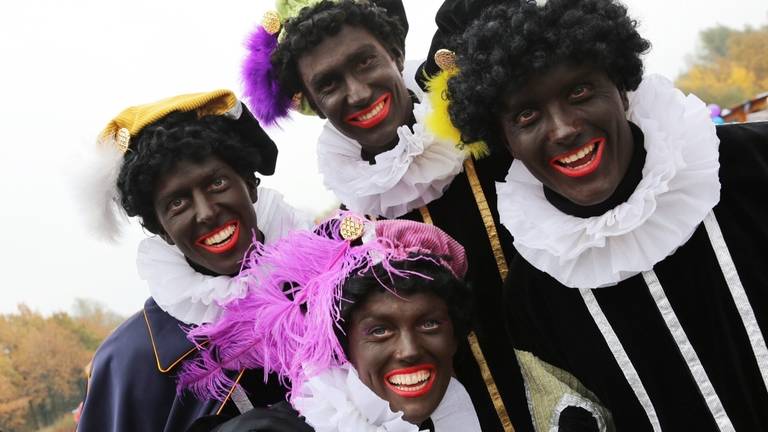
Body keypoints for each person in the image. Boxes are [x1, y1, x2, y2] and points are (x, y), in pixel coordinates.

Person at [442, 0, 768, 430]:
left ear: (618, 83)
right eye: (527, 115)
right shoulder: (535, 290)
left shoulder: (751, 164)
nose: (562, 129)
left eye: (578, 92)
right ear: (505, 138)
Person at [241, 1, 531, 430]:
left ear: (396, 54)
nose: (357, 92)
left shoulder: (498, 146)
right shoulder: (344, 243)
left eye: (364, 61)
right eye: (329, 84)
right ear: (316, 106)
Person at [76, 90, 313, 431]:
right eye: (177, 203)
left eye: (216, 183)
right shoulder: (129, 361)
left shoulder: (337, 275)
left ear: (249, 183)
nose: (206, 213)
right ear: (161, 230)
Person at [179, 215, 482, 431]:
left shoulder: (456, 413)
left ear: (454, 336)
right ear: (342, 345)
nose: (409, 350)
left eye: (429, 324)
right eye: (379, 330)